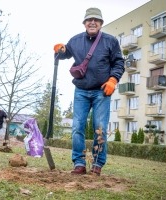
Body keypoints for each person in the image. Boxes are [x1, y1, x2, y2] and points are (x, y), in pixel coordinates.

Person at [53, 7, 125, 175]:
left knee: (99, 127)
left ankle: (97, 164)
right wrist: (60, 49)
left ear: (101, 23)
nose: (92, 22)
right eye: (89, 20)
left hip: (102, 91)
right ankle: (79, 163)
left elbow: (118, 63)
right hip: (81, 91)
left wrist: (113, 80)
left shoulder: (110, 41)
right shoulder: (76, 40)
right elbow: (66, 53)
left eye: (96, 20)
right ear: (84, 23)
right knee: (77, 126)